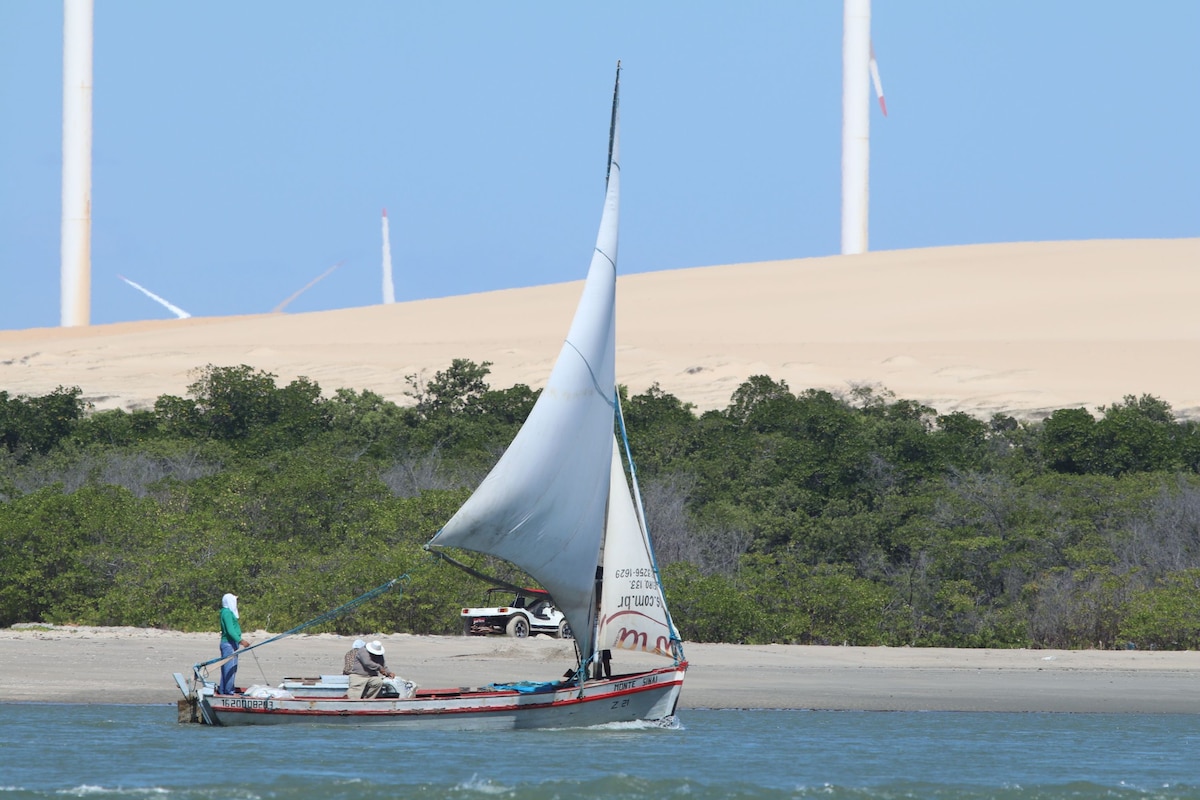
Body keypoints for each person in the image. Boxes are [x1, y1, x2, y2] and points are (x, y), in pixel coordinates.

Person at [218, 593, 250, 695]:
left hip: (230, 644)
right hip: (229, 644)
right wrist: (241, 641)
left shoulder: (227, 612)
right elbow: (230, 630)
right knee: (230, 669)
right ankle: (228, 692)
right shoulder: (227, 613)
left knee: (228, 669)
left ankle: (224, 691)